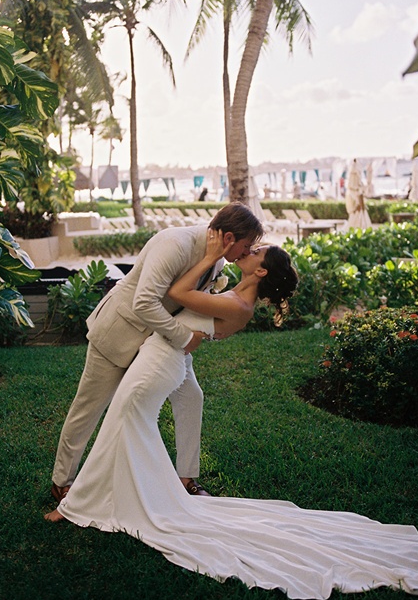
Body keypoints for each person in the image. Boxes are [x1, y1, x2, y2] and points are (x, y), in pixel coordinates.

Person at [45, 233, 418, 599]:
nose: (248, 250)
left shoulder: (236, 304)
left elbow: (176, 291)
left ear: (260, 270)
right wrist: (213, 263)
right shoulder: (233, 292)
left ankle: (80, 503)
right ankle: (112, 495)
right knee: (127, 426)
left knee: (125, 424)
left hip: (159, 364)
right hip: (160, 359)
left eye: (255, 251)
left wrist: (209, 256)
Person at [50, 202, 264, 504]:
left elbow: (190, 300)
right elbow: (144, 303)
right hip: (119, 332)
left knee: (191, 396)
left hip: (158, 340)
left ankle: (186, 478)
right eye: (246, 245)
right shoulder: (174, 244)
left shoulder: (216, 261)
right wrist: (185, 337)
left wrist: (213, 325)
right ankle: (62, 483)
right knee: (88, 408)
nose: (246, 252)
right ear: (229, 238)